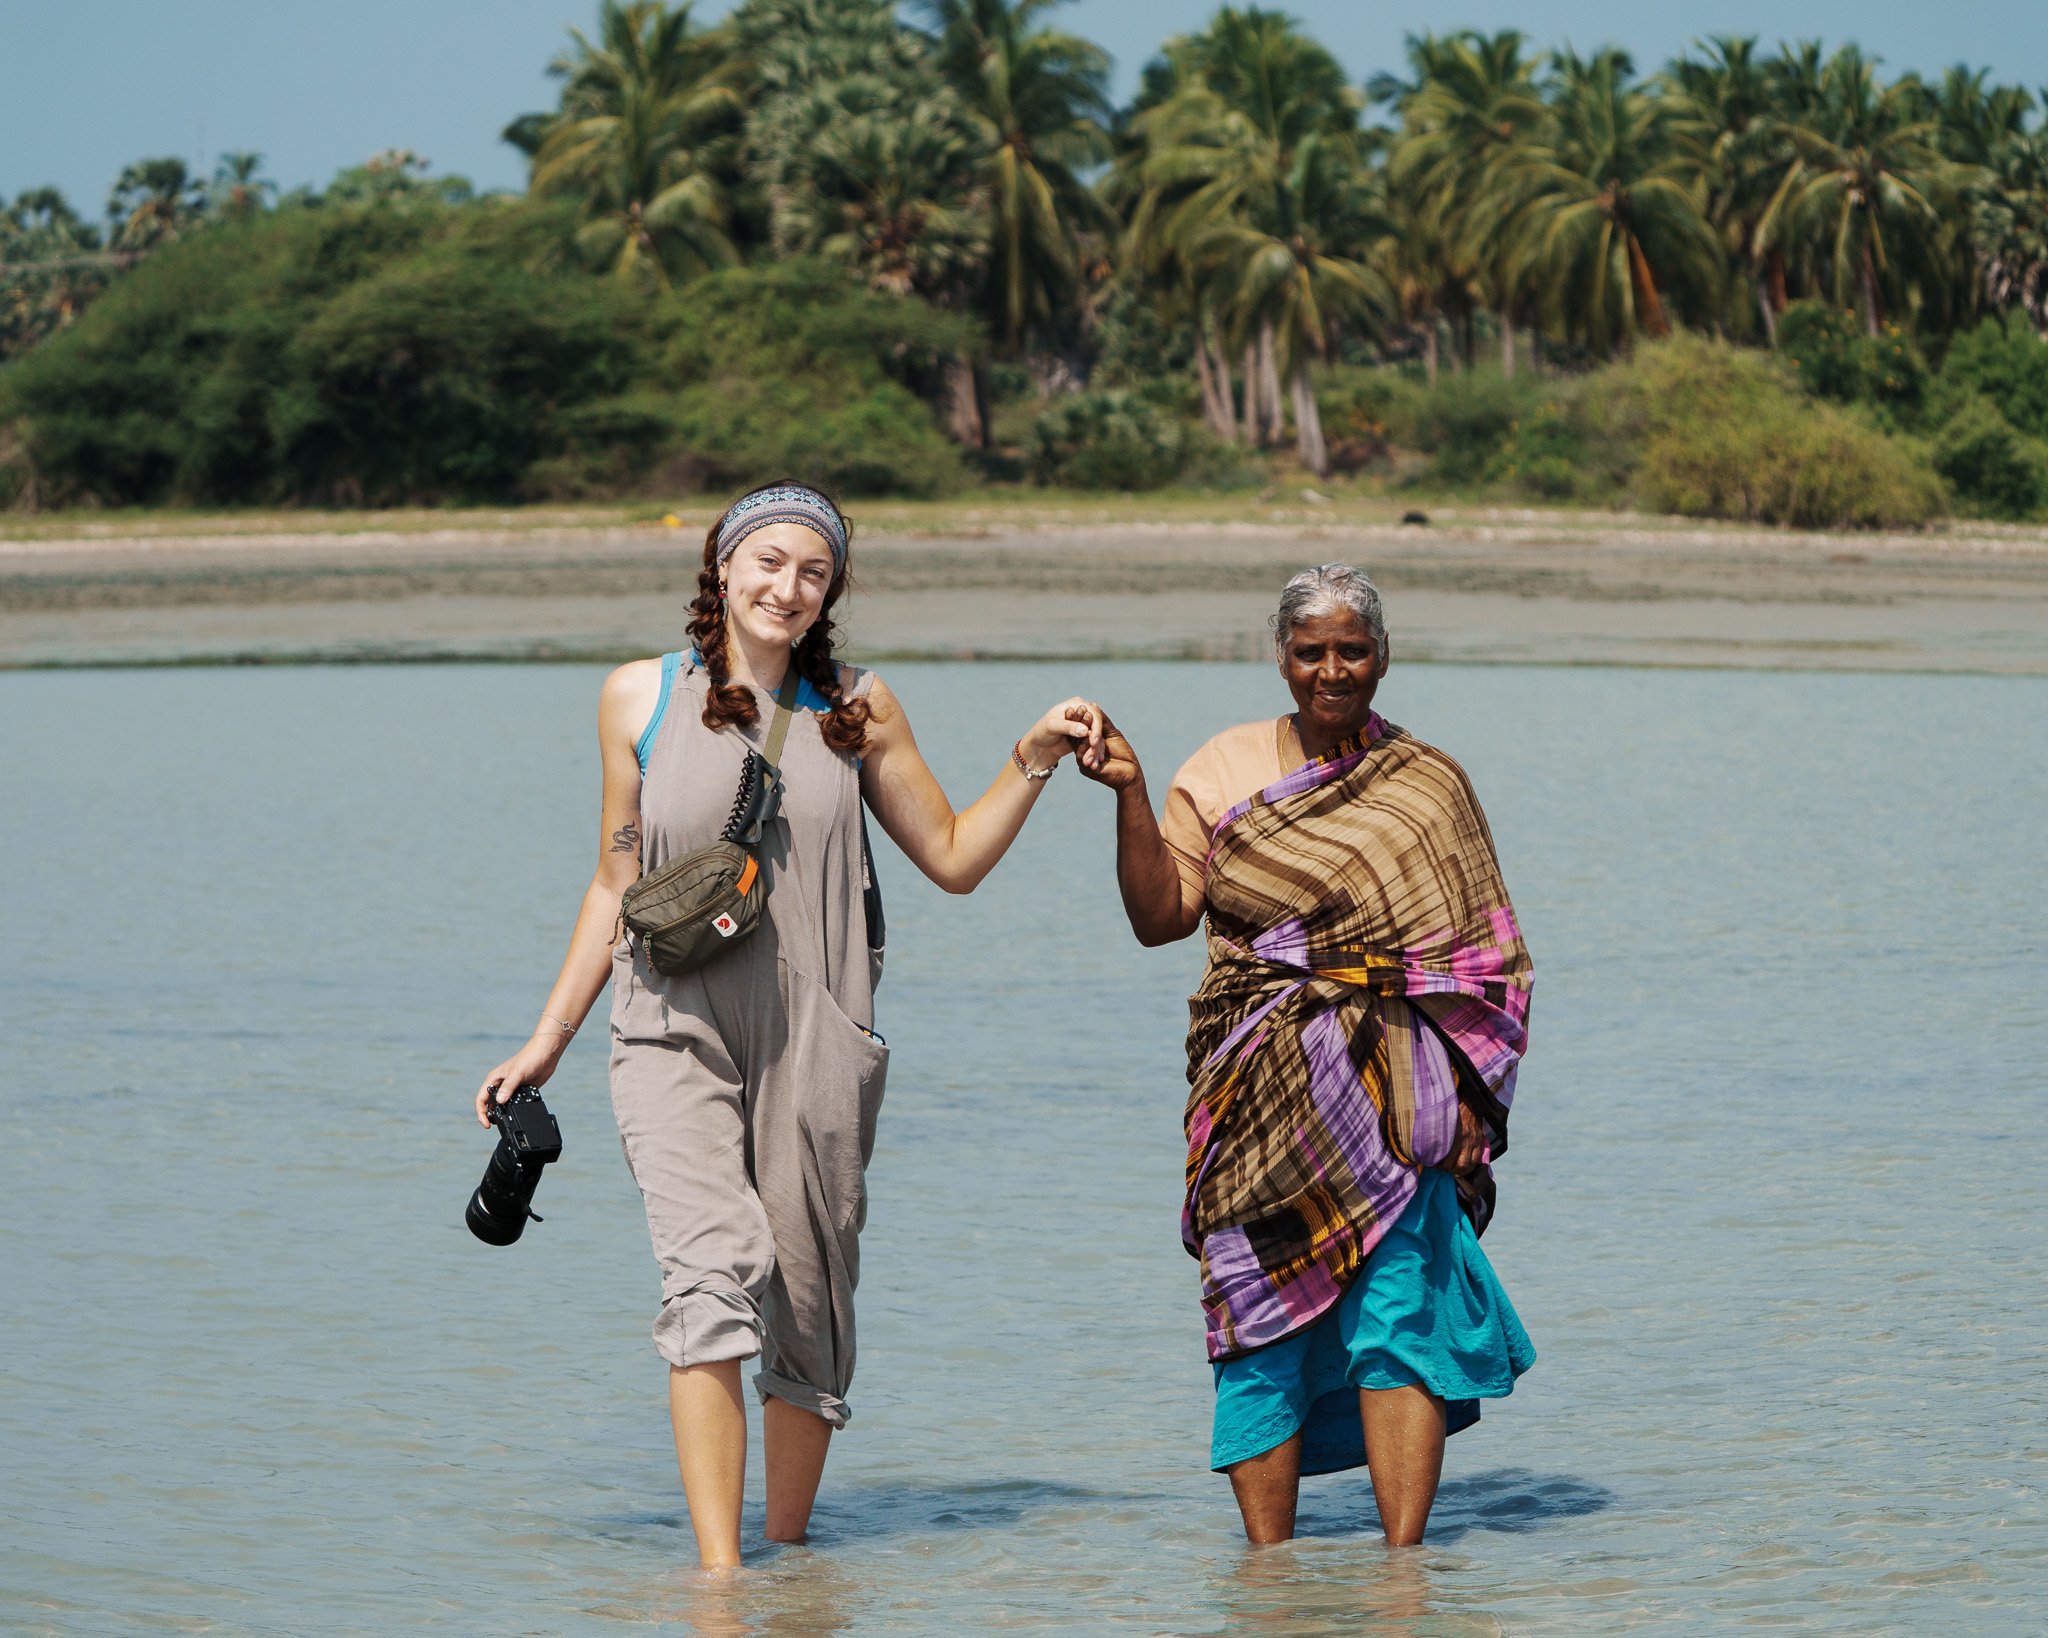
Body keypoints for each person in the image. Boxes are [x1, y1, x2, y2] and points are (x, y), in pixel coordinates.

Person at [474, 481, 1101, 1569]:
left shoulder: (858, 707)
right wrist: (548, 1038)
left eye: (812, 572)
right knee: (709, 1276)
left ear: (830, 593)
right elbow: (611, 882)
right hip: (667, 1021)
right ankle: (722, 1583)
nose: (787, 586)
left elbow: (951, 860)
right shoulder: (638, 697)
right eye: (767, 561)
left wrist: (1033, 757)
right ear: (719, 568)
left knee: (806, 1300)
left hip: (819, 1030)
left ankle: (787, 1564)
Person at [1078, 563, 1535, 1547]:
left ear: (1381, 656)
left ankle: (1402, 1577)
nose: (1331, 669)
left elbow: (1484, 962)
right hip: (1253, 1089)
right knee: (1255, 1321)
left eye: (1350, 649)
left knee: (1397, 1323)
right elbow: (1161, 919)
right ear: (1280, 657)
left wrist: (1466, 1100)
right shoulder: (1223, 765)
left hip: (1396, 1093)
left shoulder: (1426, 786)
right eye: (1309, 650)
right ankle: (1266, 1583)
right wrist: (1127, 795)